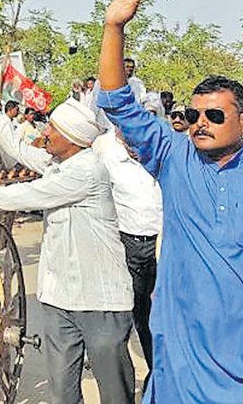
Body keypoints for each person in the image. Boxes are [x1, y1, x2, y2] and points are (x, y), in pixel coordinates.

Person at [97, 0, 243, 403]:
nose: (201, 123)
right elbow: (117, 99)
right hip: (182, 348)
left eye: (215, 116)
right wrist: (114, 27)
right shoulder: (173, 154)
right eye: (194, 114)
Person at [0, 84, 134, 404]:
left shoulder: (87, 171)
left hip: (100, 302)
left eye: (52, 128)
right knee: (62, 393)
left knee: (115, 393)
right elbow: (16, 146)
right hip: (59, 300)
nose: (44, 132)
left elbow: (25, 195)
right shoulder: (57, 164)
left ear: (72, 138)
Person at [92, 128, 162, 377]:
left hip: (165, 243)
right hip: (128, 245)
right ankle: (146, 375)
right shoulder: (107, 158)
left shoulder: (165, 158)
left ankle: (161, 374)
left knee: (163, 314)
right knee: (137, 312)